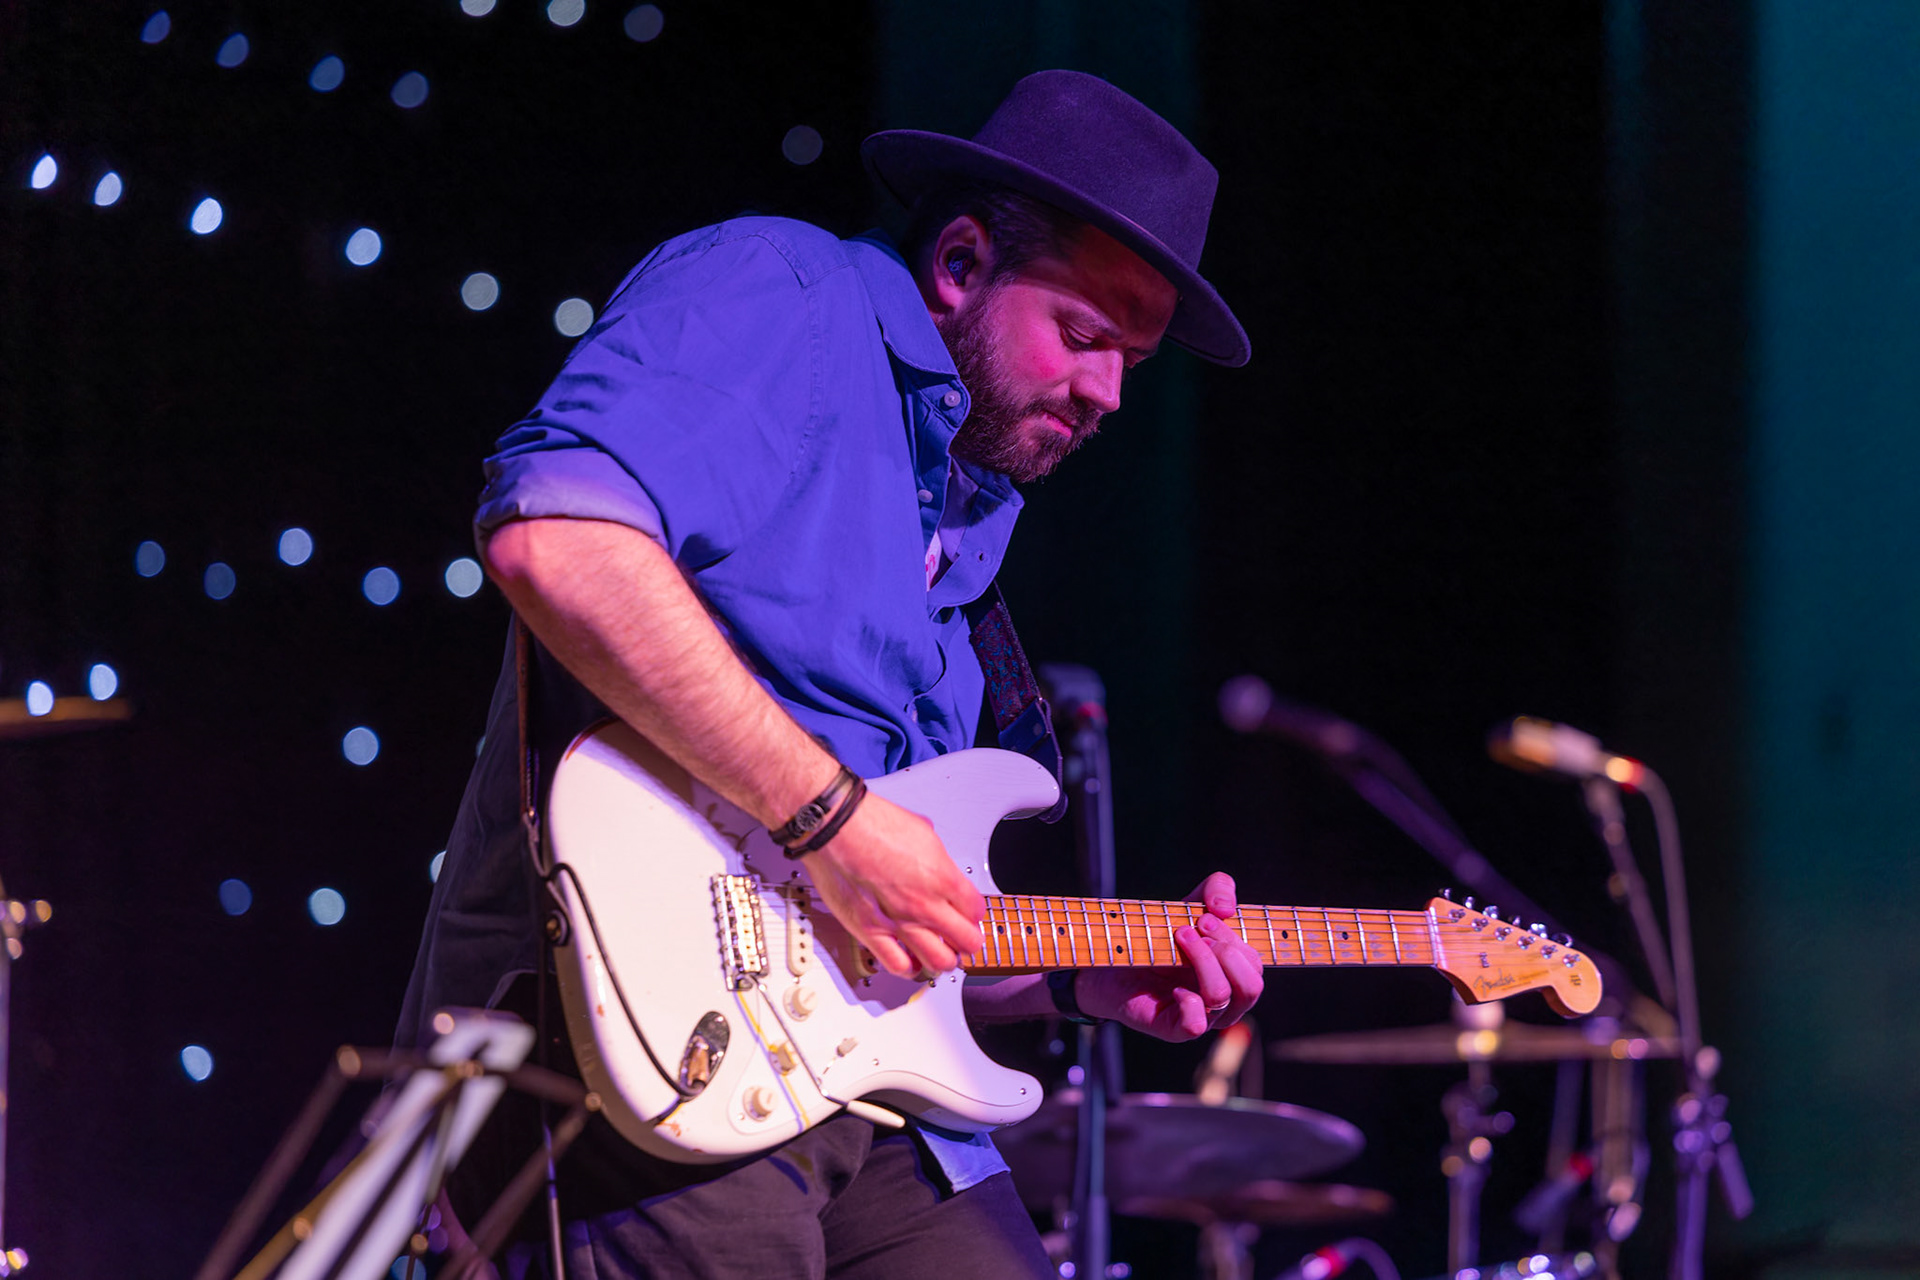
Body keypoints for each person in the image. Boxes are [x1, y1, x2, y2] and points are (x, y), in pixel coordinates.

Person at [398, 70, 1263, 1278]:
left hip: (866, 1096)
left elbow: (867, 931)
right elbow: (557, 535)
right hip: (647, 1052)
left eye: (1134, 359)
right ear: (959, 262)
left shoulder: (967, 518)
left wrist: (1079, 978)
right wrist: (836, 819)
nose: (1108, 392)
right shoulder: (784, 290)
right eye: (1083, 334)